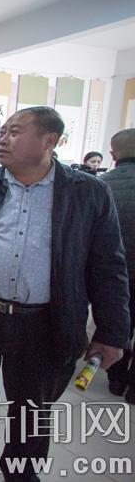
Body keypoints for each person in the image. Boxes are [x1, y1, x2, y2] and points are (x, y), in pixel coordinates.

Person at [0, 107, 130, 481]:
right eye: (2, 130)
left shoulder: (87, 193)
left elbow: (108, 267)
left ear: (49, 140)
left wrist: (112, 332)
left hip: (44, 321)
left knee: (32, 406)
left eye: (15, 132)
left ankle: (20, 469)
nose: (2, 138)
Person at [101, 128, 135, 404]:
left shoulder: (99, 186)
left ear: (113, 154)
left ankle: (116, 377)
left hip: (111, 274)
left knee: (120, 321)